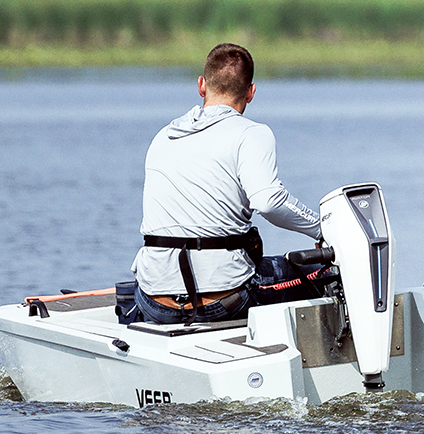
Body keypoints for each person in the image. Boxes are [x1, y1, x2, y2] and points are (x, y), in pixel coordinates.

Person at [128, 43, 324, 325]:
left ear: (201, 85)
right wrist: (323, 229)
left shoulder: (163, 135)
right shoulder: (252, 134)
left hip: (153, 300)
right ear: (251, 92)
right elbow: (269, 202)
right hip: (224, 301)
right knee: (323, 270)